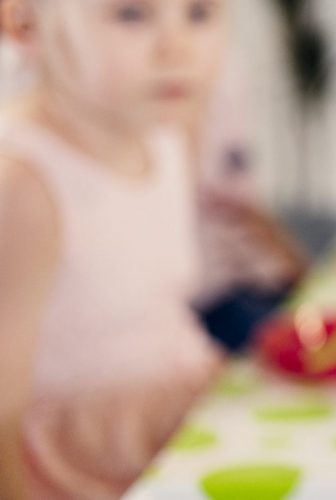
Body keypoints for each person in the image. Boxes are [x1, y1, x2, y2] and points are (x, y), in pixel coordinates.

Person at [0, 0, 228, 497]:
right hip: (81, 471)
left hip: (186, 420)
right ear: (28, 25)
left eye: (199, 12)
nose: (177, 49)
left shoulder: (171, 134)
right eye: (131, 14)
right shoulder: (25, 183)